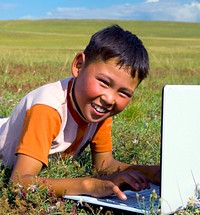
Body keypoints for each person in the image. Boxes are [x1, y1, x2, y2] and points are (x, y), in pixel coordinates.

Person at [0, 25, 160, 201]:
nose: (109, 98)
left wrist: (150, 172)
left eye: (123, 93)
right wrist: (89, 185)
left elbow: (103, 164)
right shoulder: (47, 109)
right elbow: (19, 182)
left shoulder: (99, 109)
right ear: (79, 65)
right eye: (104, 82)